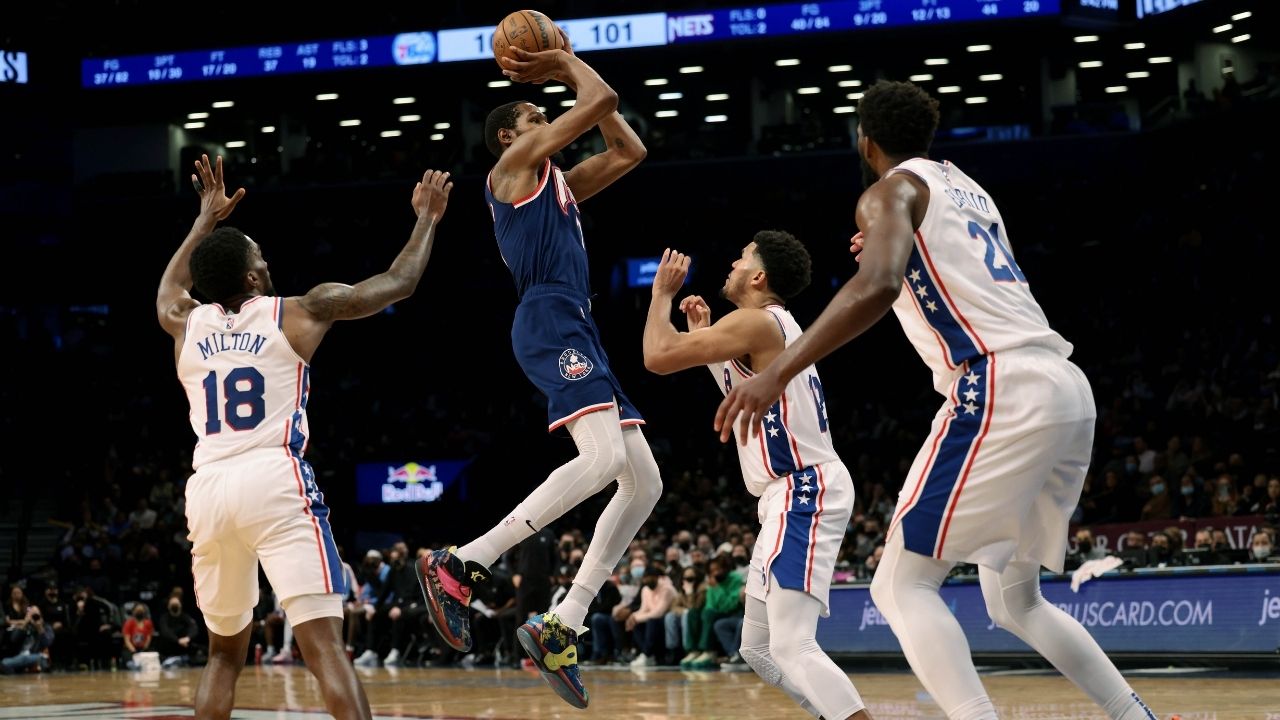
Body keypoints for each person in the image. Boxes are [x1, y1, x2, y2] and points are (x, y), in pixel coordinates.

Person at [713, 80, 1156, 720]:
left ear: (865, 141)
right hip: (1064, 383)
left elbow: (879, 283)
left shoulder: (889, 190)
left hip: (1000, 384)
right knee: (1015, 602)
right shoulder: (967, 189)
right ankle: (1133, 714)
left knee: (900, 585)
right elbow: (933, 273)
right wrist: (892, 256)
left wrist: (778, 370)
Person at [156, 154, 452, 720]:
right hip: (274, 479)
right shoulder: (297, 312)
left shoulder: (185, 322)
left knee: (222, 656)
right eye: (260, 260)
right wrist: (427, 219)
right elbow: (398, 283)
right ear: (250, 278)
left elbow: (169, 286)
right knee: (323, 649)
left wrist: (203, 222)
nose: (267, 265)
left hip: (209, 489)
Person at [416, 28, 660, 710]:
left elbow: (629, 147)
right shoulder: (513, 168)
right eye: (536, 118)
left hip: (577, 322)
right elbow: (602, 94)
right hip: (549, 318)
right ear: (510, 137)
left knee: (644, 482)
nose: (547, 121)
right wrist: (560, 63)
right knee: (606, 456)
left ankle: (563, 623)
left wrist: (567, 75)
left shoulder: (559, 186)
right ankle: (463, 562)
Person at [642, 239, 870, 718]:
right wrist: (705, 341)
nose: (732, 261)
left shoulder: (758, 321)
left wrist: (661, 294)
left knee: (793, 646)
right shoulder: (768, 329)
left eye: (742, 256)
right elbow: (741, 387)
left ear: (759, 278)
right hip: (787, 494)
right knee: (759, 649)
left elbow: (657, 356)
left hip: (803, 488)